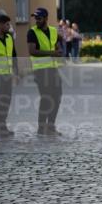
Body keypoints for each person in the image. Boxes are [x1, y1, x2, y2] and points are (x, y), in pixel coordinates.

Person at [27, 7, 64, 136]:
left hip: (52, 69)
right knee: (46, 97)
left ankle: (51, 126)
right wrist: (52, 53)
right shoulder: (32, 32)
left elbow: (58, 41)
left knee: (57, 96)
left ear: (46, 18)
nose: (37, 20)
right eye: (35, 18)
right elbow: (32, 51)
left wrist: (58, 49)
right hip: (40, 70)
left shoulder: (53, 31)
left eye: (39, 18)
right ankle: (42, 128)